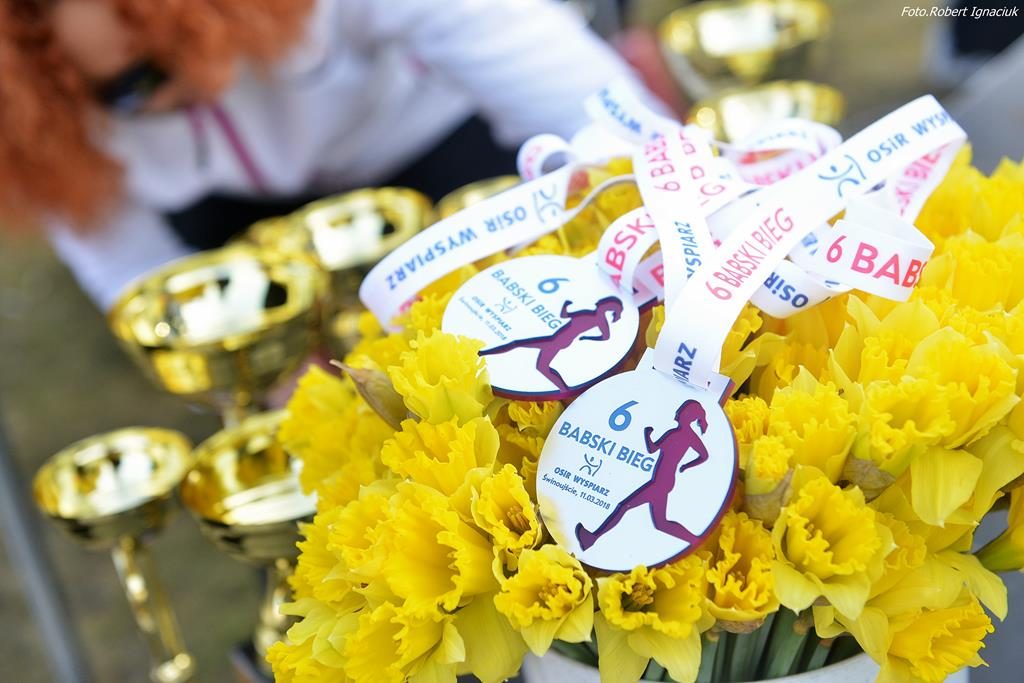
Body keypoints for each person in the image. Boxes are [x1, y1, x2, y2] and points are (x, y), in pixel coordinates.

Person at [0, 0, 635, 310]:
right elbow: (137, 278)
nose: (205, 78)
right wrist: (264, 375)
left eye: (186, 33)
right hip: (238, 219)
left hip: (432, 142)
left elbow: (563, 86)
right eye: (132, 86)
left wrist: (640, 196)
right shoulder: (42, 131)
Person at [576, 399, 709, 551]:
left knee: (624, 506)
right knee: (660, 523)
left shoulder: (679, 434)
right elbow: (701, 455)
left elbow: (653, 449)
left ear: (687, 416)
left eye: (681, 412)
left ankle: (591, 539)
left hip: (661, 482)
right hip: (664, 480)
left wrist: (648, 435)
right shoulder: (683, 435)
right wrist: (685, 465)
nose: (677, 414)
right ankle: (695, 540)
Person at [479, 296, 624, 393]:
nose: (600, 304)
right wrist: (566, 306)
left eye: (605, 305)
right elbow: (564, 315)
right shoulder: (588, 314)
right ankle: (565, 390)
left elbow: (605, 337)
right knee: (539, 364)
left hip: (558, 341)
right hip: (555, 338)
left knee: (519, 346)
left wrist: (587, 337)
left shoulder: (599, 320)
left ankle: (565, 390)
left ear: (608, 309)